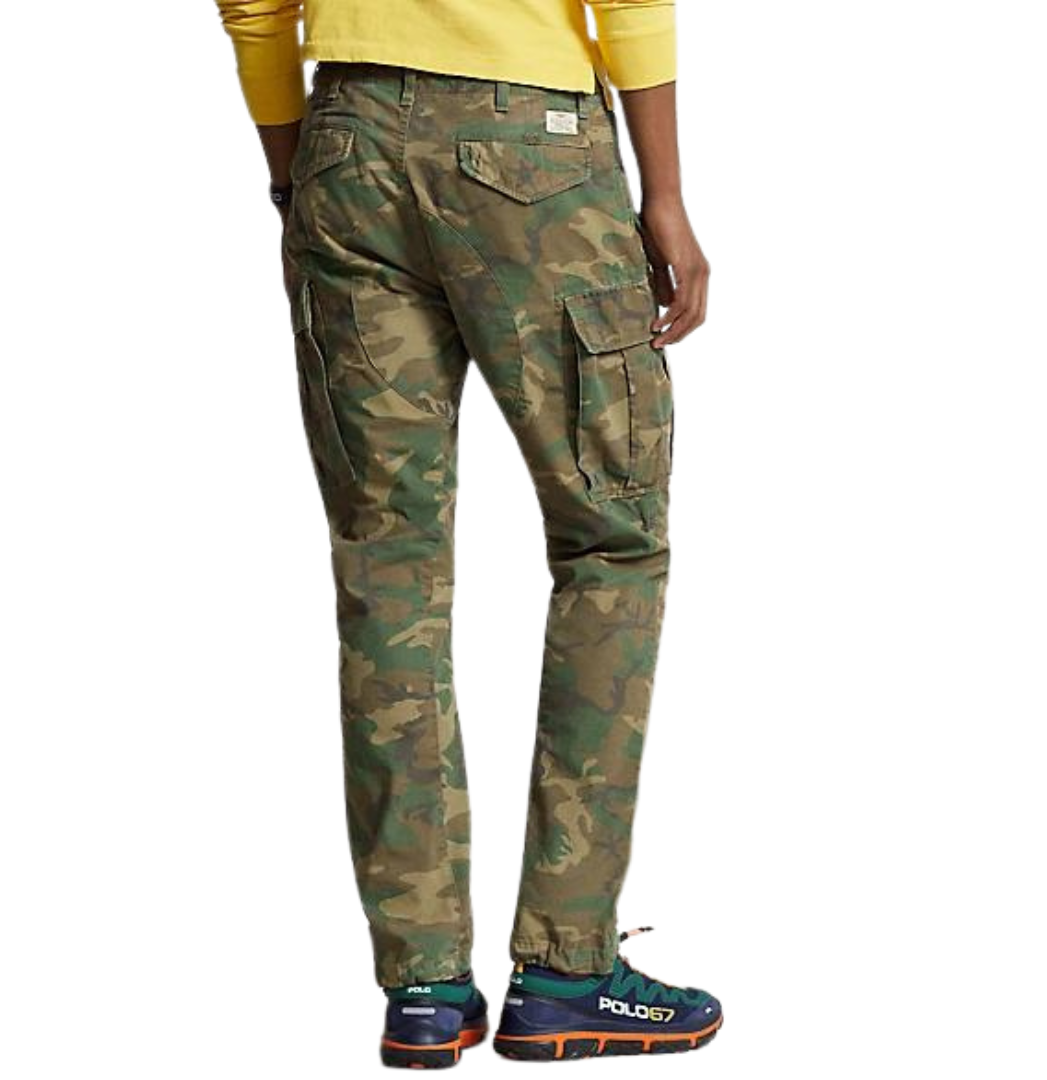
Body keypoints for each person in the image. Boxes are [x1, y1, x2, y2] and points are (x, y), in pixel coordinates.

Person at [214, 0, 720, 1066]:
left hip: (344, 144)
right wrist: (666, 195)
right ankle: (566, 970)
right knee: (612, 542)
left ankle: (425, 987)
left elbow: (253, 5)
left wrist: (296, 177)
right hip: (532, 150)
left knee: (386, 562)